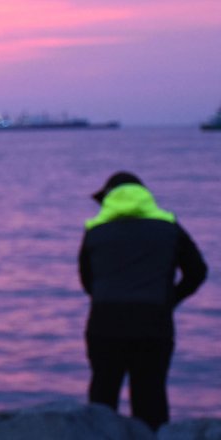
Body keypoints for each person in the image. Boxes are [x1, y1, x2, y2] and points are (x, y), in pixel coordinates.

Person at [78, 171, 207, 431]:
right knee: (150, 396)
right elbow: (197, 272)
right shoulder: (169, 228)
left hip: (105, 324)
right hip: (154, 324)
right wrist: (169, 300)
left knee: (103, 396)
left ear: (109, 199)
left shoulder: (95, 232)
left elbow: (86, 279)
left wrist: (106, 298)